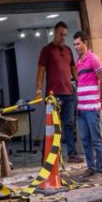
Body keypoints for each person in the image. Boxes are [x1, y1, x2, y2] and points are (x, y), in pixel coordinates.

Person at [35, 21, 81, 163]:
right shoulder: (46, 50)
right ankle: (47, 156)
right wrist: (38, 90)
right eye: (60, 34)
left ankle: (72, 154)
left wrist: (80, 83)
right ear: (55, 33)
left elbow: (73, 68)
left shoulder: (67, 50)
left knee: (69, 124)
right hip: (53, 95)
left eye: (65, 35)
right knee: (52, 126)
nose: (63, 37)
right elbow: (41, 70)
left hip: (69, 94)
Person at [72, 31, 102, 183]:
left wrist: (101, 100)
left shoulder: (93, 59)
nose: (76, 47)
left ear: (85, 43)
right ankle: (90, 167)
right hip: (81, 109)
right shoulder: (79, 61)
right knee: (85, 140)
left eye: (78, 43)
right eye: (74, 44)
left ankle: (99, 170)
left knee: (96, 140)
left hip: (92, 108)